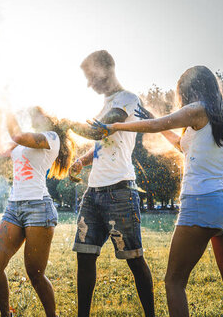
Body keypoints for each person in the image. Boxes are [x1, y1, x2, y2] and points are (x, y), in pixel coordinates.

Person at [88, 65, 223, 317]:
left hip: (200, 203)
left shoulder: (196, 110)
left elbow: (155, 125)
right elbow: (183, 146)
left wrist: (117, 126)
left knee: (174, 282)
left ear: (191, 89)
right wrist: (152, 118)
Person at [65, 50, 155, 317]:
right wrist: (82, 160)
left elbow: (98, 130)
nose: (89, 84)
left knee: (134, 259)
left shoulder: (127, 100)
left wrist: (64, 123)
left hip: (120, 192)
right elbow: (102, 145)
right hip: (93, 193)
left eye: (91, 77)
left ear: (106, 69)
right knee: (84, 256)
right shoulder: (104, 104)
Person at [0, 107, 76, 317]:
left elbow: (18, 134)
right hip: (14, 207)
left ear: (47, 118)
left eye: (36, 112)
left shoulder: (51, 137)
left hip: (39, 208)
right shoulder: (23, 141)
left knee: (35, 274)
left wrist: (5, 105)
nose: (29, 114)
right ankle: (5, 315)